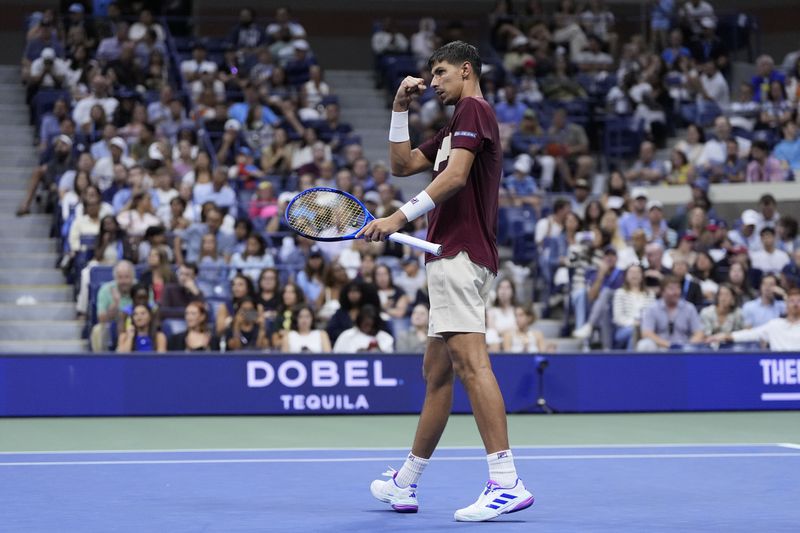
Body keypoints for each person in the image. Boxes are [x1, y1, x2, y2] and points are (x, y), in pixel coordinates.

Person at [359, 42, 533, 521]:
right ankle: (405, 483)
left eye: (440, 73)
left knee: (473, 367)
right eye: (430, 74)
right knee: (437, 378)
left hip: (459, 256)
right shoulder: (455, 126)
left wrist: (397, 217)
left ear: (465, 70)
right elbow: (402, 165)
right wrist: (398, 110)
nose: (433, 82)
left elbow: (455, 178)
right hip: (447, 258)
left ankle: (505, 481)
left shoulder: (475, 110)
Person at [707, 288, 800, 351]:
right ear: (786, 304)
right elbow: (750, 334)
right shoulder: (775, 325)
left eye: (799, 301)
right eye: (792, 301)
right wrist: (726, 336)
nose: (795, 304)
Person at [636, 276, 705, 351]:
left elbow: (699, 333)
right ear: (662, 291)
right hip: (659, 347)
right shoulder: (652, 309)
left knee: (693, 348)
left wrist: (688, 344)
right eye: (671, 289)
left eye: (678, 288)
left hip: (684, 348)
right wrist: (668, 345)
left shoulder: (689, 308)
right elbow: (647, 333)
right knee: (645, 345)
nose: (675, 292)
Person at [612, 264, 655, 350]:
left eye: (637, 272)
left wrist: (642, 325)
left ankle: (631, 362)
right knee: (634, 331)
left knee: (634, 337)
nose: (634, 275)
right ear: (626, 276)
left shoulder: (650, 294)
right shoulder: (620, 293)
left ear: (642, 276)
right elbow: (618, 318)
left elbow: (652, 315)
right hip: (624, 330)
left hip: (644, 329)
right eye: (631, 272)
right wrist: (635, 324)